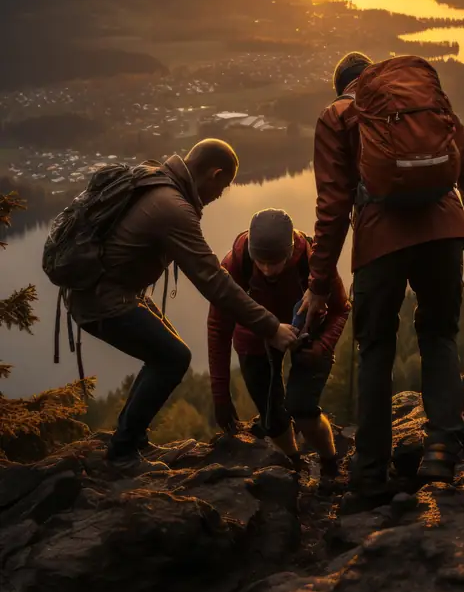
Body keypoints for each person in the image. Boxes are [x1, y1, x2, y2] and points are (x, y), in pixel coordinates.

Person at [300, 51, 464, 497]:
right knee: (439, 335)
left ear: (343, 87)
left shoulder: (337, 116)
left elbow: (331, 207)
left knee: (375, 350)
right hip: (445, 231)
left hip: (380, 243)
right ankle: (442, 450)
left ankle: (369, 472)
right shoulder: (425, 104)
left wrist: (317, 285)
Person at [68, 141, 297, 470]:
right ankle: (123, 452)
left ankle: (130, 439)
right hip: (102, 299)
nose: (221, 194)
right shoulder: (173, 207)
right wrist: (271, 327)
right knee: (173, 358)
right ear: (214, 174)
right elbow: (213, 280)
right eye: (224, 186)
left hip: (102, 290)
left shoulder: (157, 179)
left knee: (164, 352)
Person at [207, 208, 350, 481]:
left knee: (303, 408)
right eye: (261, 262)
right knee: (272, 419)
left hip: (310, 336)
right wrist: (220, 395)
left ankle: (330, 464)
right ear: (251, 252)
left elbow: (340, 310)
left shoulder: (314, 262)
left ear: (291, 250)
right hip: (255, 338)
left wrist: (322, 347)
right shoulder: (236, 265)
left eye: (277, 262)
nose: (268, 269)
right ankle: (294, 463)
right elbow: (218, 327)